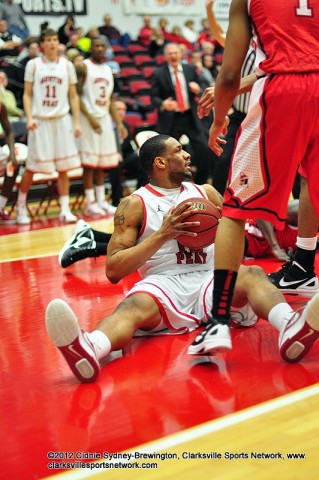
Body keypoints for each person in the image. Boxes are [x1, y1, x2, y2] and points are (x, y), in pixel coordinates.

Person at [45, 135, 319, 383]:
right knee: (130, 306)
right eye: (179, 150)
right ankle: (91, 346)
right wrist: (163, 234)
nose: (188, 154)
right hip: (163, 283)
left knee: (253, 273)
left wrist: (214, 237)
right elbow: (113, 270)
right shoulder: (134, 204)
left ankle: (290, 326)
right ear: (161, 162)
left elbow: (237, 240)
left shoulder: (207, 193)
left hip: (210, 277)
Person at [189, 0, 319, 358]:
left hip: (284, 94)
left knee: (233, 209)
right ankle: (304, 267)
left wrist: (218, 121)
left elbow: (228, 75)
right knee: (311, 182)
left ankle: (217, 321)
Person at [15, 28, 82, 225]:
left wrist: (76, 122)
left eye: (55, 39)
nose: (52, 43)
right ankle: (20, 207)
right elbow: (27, 94)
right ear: (42, 43)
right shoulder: (33, 65)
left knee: (63, 167)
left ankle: (64, 208)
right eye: (48, 40)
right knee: (32, 166)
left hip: (62, 120)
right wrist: (29, 117)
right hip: (40, 120)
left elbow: (73, 95)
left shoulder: (67, 65)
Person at [76, 37, 127, 216]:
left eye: (102, 46)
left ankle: (100, 201)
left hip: (104, 118)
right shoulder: (83, 67)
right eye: (96, 46)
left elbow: (111, 100)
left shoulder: (107, 70)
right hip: (88, 118)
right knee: (89, 164)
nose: (99, 49)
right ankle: (90, 203)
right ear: (91, 48)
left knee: (102, 163)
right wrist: (89, 118)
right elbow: (75, 96)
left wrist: (119, 123)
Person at [150, 42, 214, 184]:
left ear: (181, 54)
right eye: (170, 53)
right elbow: (153, 97)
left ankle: (201, 184)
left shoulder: (190, 69)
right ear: (165, 57)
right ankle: (170, 183)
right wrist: (162, 104)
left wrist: (198, 89)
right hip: (171, 119)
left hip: (190, 116)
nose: (173, 56)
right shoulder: (158, 73)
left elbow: (204, 87)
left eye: (175, 53)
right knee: (167, 153)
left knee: (203, 148)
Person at [0, 101, 19, 224]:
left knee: (12, 166)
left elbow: (8, 132)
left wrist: (12, 153)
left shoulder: (1, 106)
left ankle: (0, 206)